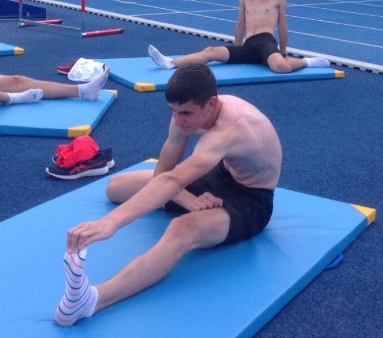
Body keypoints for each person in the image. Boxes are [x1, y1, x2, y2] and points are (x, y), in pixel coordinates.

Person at [55, 64, 280, 326]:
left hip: (252, 198)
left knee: (181, 229)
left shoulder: (229, 130)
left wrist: (111, 222)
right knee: (116, 187)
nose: (178, 119)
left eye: (185, 113)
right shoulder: (184, 114)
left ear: (211, 104)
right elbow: (163, 172)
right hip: (221, 174)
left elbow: (171, 180)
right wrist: (187, 198)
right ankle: (185, 201)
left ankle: (92, 299)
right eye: (173, 111)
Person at [147, 0, 329, 74]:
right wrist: (237, 47)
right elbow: (240, 24)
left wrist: (282, 51)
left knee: (280, 67)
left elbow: (282, 27)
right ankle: (170, 63)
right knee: (211, 51)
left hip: (266, 42)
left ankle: (308, 62)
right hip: (248, 45)